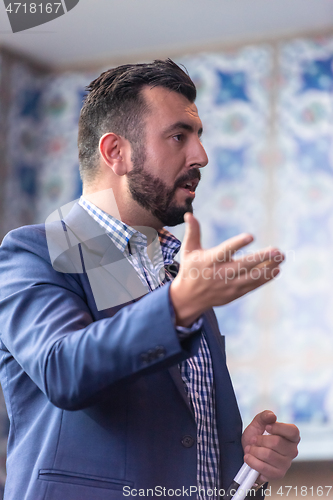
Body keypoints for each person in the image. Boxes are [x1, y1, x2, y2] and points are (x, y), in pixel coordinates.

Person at [0, 59, 299, 500]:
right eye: (179, 136)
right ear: (115, 152)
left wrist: (250, 468)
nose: (201, 156)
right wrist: (177, 306)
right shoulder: (41, 249)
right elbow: (65, 370)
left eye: (199, 137)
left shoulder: (180, 269)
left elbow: (174, 443)